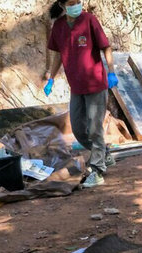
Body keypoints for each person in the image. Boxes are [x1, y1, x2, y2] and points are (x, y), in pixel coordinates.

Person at [43, 0, 118, 188]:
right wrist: (51, 78)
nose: (77, 4)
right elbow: (59, 54)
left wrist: (111, 71)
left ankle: (97, 170)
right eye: (72, 2)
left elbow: (105, 47)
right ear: (62, 5)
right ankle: (104, 154)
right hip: (76, 86)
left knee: (95, 128)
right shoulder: (59, 26)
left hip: (96, 83)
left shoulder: (89, 20)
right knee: (78, 128)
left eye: (78, 1)